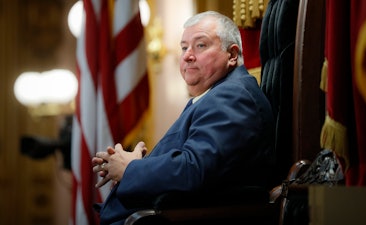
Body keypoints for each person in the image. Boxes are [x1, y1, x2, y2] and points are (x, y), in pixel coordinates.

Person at [92, 10, 276, 225]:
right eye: (183, 47)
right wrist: (137, 164)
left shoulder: (232, 96)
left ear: (232, 55)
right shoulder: (216, 95)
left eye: (201, 45)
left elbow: (194, 170)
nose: (188, 55)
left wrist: (130, 169)